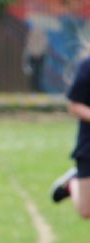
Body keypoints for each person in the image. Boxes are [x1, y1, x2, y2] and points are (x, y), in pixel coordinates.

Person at [51, 52, 90, 219]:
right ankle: (72, 183)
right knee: (86, 211)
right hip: (88, 146)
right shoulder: (87, 66)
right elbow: (74, 106)